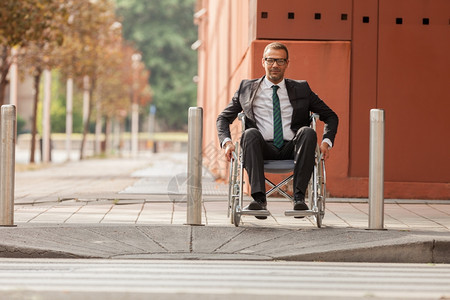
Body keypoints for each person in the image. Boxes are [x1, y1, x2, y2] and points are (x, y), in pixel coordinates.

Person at [216, 42, 338, 219]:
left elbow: (331, 116)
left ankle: (299, 199)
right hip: (260, 148)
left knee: (308, 132)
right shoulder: (246, 88)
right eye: (271, 60)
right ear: (263, 62)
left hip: (293, 148)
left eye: (280, 61)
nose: (275, 65)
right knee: (249, 133)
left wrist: (326, 142)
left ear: (287, 63)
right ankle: (258, 200)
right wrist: (226, 143)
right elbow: (223, 118)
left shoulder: (302, 88)